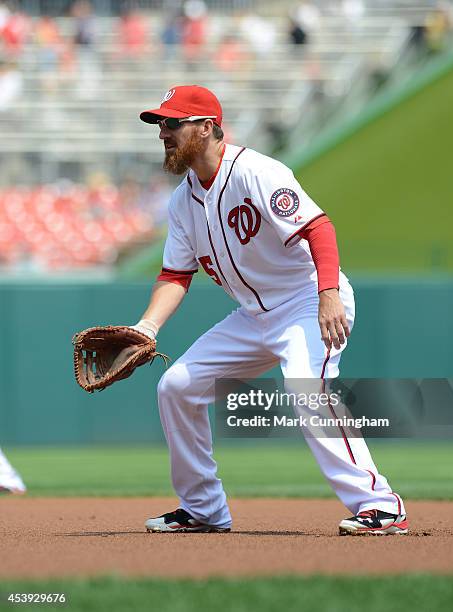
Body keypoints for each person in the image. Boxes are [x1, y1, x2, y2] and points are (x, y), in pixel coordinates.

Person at [135, 85, 408, 535]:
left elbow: (318, 229)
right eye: (160, 124)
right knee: (177, 385)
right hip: (253, 317)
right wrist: (147, 327)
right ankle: (203, 509)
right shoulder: (182, 200)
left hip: (306, 299)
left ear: (206, 129)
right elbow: (175, 275)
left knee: (305, 384)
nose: (162, 132)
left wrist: (328, 295)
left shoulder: (255, 171)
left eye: (171, 123)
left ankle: (379, 504)